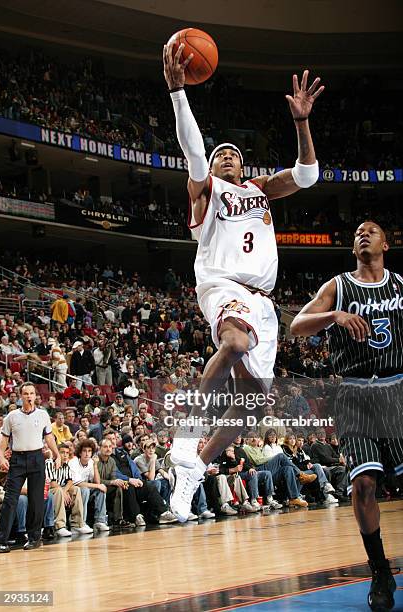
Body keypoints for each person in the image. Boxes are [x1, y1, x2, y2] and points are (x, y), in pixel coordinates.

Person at [162, 42, 324, 522]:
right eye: (220, 155)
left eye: (233, 154)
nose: (227, 157)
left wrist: (301, 123)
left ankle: (194, 468)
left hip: (264, 301)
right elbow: (192, 148)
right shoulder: (206, 190)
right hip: (223, 283)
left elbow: (309, 175)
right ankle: (187, 432)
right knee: (232, 342)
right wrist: (177, 92)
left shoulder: (260, 190)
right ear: (211, 170)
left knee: (253, 407)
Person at [290, 220, 403, 610]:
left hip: (398, 387)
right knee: (364, 485)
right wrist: (333, 317)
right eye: (356, 232)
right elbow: (296, 325)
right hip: (354, 391)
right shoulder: (338, 287)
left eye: (371, 230)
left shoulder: (400, 285)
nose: (362, 234)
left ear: (386, 244)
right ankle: (380, 570)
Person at [0, 382, 61, 552]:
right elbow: (3, 439)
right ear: (20, 396)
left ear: (35, 396)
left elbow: (49, 438)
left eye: (32, 393)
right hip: (17, 459)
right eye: (26, 393)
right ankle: (1, 540)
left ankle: (34, 538)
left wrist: (57, 454)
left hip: (37, 458)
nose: (29, 396)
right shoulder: (11, 416)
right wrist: (1, 456)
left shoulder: (43, 415)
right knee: (10, 500)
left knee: (36, 500)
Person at [68, 439, 109, 532]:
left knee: (100, 490)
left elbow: (97, 482)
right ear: (79, 452)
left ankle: (100, 521)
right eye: (84, 451)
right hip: (72, 491)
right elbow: (78, 483)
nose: (87, 454)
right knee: (85, 489)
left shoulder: (91, 462)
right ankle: (81, 522)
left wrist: (95, 465)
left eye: (89, 451)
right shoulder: (73, 462)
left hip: (84, 490)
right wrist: (98, 486)